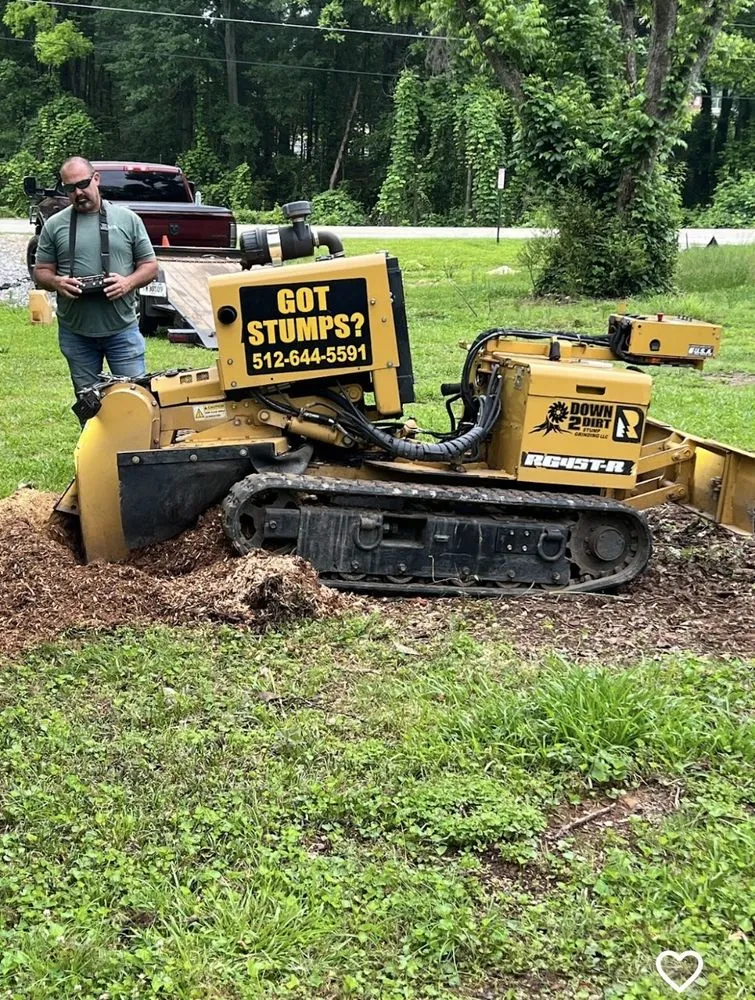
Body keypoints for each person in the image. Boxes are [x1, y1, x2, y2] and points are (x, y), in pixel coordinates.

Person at [33, 156, 159, 401]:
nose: (78, 192)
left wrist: (127, 283)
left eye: (83, 184)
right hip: (76, 333)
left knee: (137, 402)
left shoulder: (127, 219)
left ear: (96, 179)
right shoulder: (55, 225)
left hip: (122, 330)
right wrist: (58, 282)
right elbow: (41, 271)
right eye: (70, 188)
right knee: (90, 405)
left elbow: (150, 266)